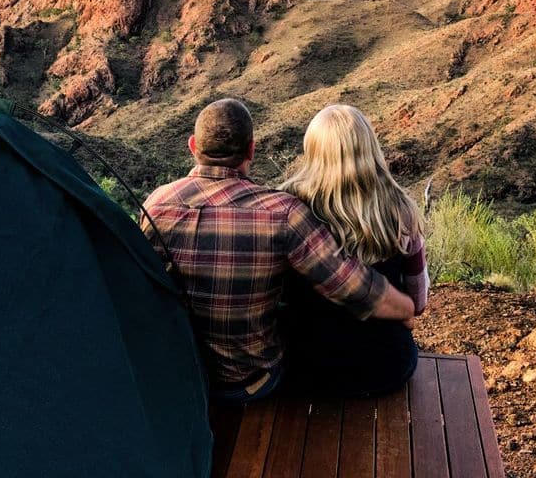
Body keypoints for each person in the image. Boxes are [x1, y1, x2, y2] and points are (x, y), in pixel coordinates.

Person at [139, 98, 415, 402]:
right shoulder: (281, 212)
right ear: (251, 150)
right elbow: (351, 286)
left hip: (182, 377)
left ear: (193, 146)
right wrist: (406, 309)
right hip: (252, 383)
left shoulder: (155, 204)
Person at [279, 104, 429, 397]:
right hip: (385, 367)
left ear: (312, 151)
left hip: (304, 366)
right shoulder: (402, 212)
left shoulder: (288, 207)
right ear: (370, 148)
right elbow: (419, 301)